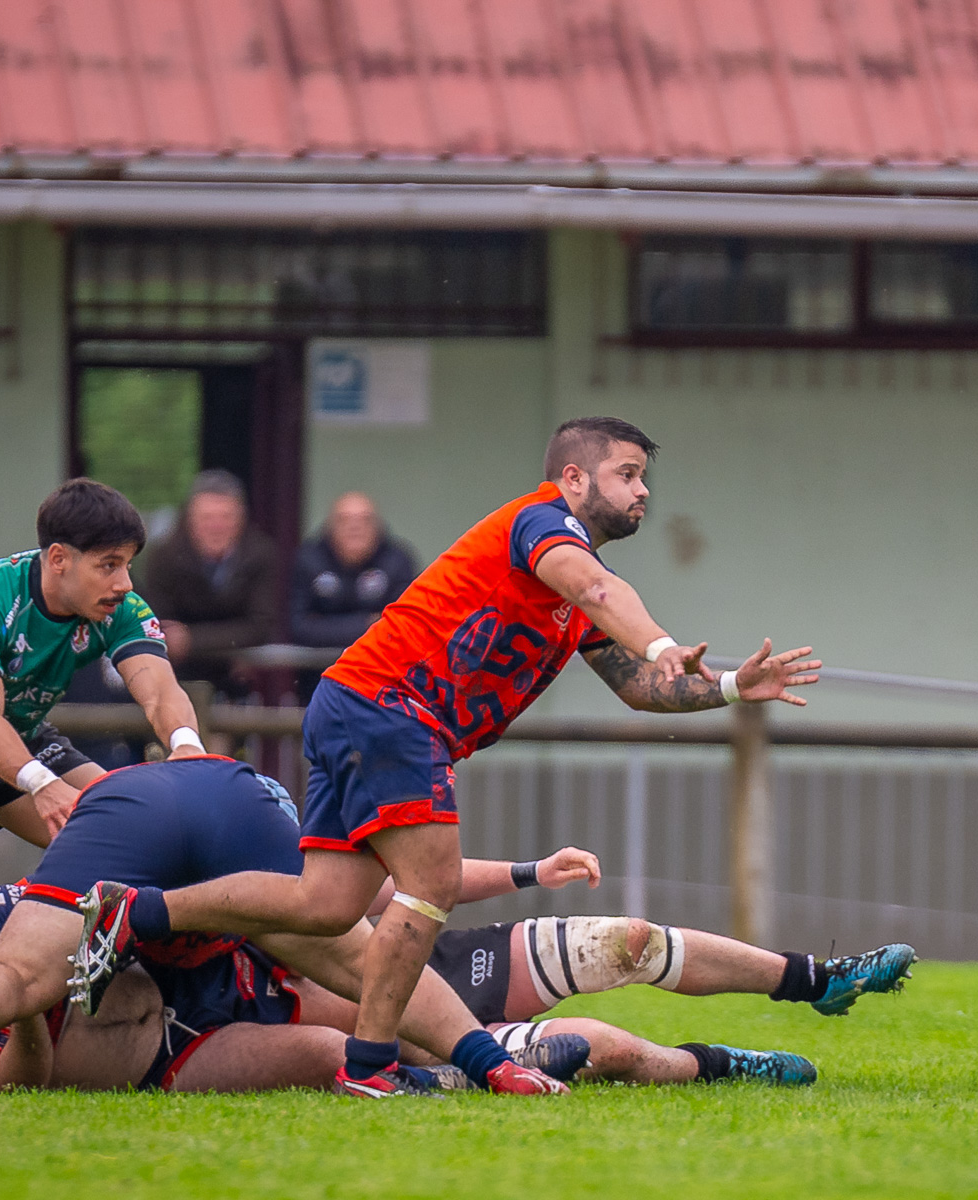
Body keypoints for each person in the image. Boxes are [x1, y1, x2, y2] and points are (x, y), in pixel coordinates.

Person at [73, 416, 823, 1098]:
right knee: (427, 883)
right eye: (628, 473)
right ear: (574, 479)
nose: (642, 490)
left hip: (361, 703)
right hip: (391, 709)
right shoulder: (543, 525)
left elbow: (639, 690)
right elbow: (599, 589)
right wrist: (661, 640)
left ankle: (135, 911)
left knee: (326, 905)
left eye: (642, 476)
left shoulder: (564, 585)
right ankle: (370, 1069)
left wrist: (727, 684)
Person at [0, 756, 567, 1097]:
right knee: (364, 961)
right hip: (221, 786)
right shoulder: (280, 811)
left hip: (125, 809)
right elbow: (388, 899)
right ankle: (491, 1061)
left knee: (19, 972)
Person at [0, 885, 588, 1095]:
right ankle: (473, 1072)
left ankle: (496, 1050)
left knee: (391, 978)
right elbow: (25, 1081)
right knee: (335, 1048)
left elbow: (105, 902)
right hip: (174, 1049)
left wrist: (527, 872)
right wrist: (33, 1009)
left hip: (225, 966)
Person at [0, 478, 204, 925]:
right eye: (109, 565)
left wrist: (186, 745)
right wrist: (42, 784)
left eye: (127, 565)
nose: (124, 583)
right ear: (59, 559)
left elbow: (161, 690)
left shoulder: (120, 607)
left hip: (22, 734)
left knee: (128, 837)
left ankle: (91, 983)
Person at [411, 879, 917, 1087]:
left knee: (627, 941)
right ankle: (723, 1065)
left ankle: (820, 980)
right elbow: (325, 1050)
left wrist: (531, 872)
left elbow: (416, 875)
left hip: (435, 965)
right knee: (599, 1047)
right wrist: (413, 1078)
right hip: (416, 1045)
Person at [140, 470, 279, 696]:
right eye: (207, 518)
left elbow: (261, 625)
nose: (216, 527)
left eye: (225, 517)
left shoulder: (261, 554)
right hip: (176, 678)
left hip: (239, 677)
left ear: (241, 519)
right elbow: (160, 627)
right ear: (189, 520)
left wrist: (191, 639)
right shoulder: (163, 556)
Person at [290, 491, 419, 649]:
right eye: (344, 520)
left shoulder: (397, 561)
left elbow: (401, 627)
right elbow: (298, 628)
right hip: (317, 671)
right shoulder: (308, 559)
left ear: (378, 526)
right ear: (330, 526)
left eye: (366, 520)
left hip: (380, 668)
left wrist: (325, 624)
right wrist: (368, 623)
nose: (355, 527)